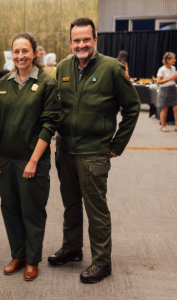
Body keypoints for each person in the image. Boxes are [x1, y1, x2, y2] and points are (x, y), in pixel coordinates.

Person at [49, 17, 140, 284]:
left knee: (96, 209)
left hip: (94, 153)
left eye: (86, 39)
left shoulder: (112, 68)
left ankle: (102, 262)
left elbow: (132, 108)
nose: (81, 44)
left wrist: (117, 145)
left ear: (95, 40)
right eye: (76, 40)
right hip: (65, 150)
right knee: (70, 204)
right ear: (70, 42)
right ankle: (72, 247)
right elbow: (57, 105)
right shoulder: (63, 67)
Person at [0, 32, 60, 282]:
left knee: (32, 211)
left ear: (35, 53)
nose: (20, 56)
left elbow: (49, 125)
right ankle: (17, 254)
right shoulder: (3, 82)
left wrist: (33, 161)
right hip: (4, 160)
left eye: (25, 51)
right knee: (10, 209)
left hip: (32, 161)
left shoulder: (47, 83)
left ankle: (32, 259)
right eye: (16, 51)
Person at [156, 52, 177, 132]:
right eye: (173, 59)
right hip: (164, 90)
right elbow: (158, 81)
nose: (175, 60)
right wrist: (169, 78)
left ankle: (176, 126)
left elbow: (174, 79)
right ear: (168, 60)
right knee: (165, 109)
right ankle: (163, 126)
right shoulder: (162, 69)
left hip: (173, 89)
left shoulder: (173, 68)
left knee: (176, 108)